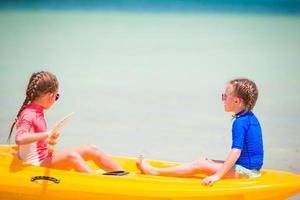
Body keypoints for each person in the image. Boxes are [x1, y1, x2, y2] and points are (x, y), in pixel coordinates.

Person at [136, 78, 264, 186]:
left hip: (246, 173)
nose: (223, 99)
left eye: (224, 96)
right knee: (205, 160)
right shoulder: (250, 118)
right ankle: (169, 170)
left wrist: (217, 176)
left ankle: (155, 171)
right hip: (251, 170)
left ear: (236, 101)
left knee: (200, 165)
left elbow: (236, 151)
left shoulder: (239, 122)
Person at [8, 71, 122, 174]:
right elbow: (20, 138)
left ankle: (124, 176)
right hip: (37, 164)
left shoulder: (37, 111)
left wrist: (48, 139)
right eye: (56, 97)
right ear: (50, 95)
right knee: (72, 157)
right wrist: (46, 134)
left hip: (45, 157)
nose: (55, 100)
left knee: (91, 149)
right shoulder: (29, 114)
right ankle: (99, 185)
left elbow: (32, 143)